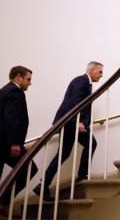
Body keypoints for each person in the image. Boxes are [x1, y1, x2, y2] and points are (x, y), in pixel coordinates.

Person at [33, 61, 103, 201]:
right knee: (91, 143)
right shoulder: (82, 81)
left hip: (69, 123)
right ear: (91, 70)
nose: (102, 75)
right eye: (100, 72)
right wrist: (79, 122)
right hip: (71, 123)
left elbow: (81, 104)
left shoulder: (85, 83)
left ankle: (42, 186)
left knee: (63, 154)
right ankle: (82, 175)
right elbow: (75, 103)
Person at [0, 66, 38, 219]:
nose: (30, 83)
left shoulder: (3, 91)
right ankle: (2, 203)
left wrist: (17, 142)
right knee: (29, 168)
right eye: (28, 79)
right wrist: (15, 143)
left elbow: (1, 120)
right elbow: (12, 118)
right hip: (0, 145)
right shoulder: (15, 92)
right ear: (18, 77)